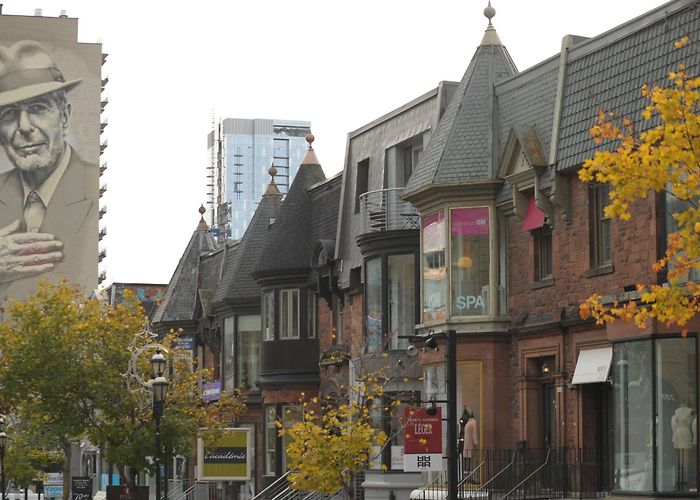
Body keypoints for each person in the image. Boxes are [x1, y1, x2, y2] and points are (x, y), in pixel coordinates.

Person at [0, 39, 98, 300]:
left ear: (64, 117)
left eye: (37, 109)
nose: (24, 126)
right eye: (9, 114)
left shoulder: (93, 188)